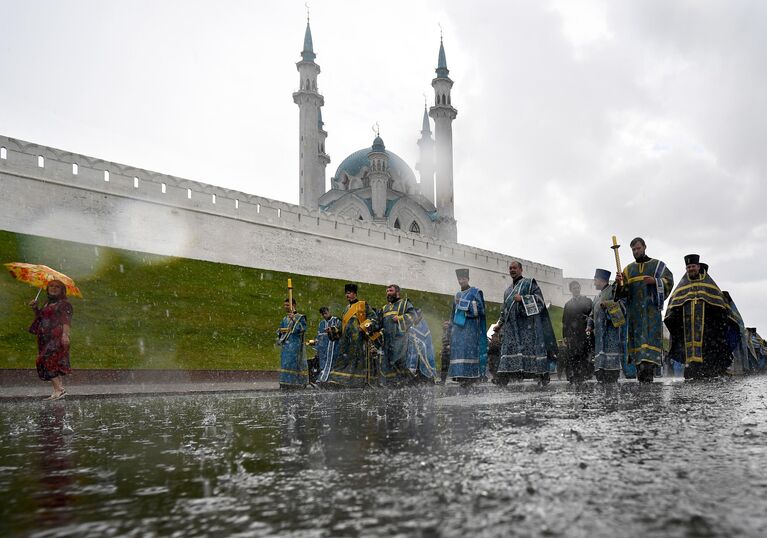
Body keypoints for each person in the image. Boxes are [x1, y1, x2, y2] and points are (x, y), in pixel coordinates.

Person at [665, 255, 738, 379]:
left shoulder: (709, 284)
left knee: (708, 350)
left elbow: (719, 305)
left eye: (693, 266)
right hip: (687, 328)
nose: (691, 269)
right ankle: (692, 370)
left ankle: (708, 371)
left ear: (698, 266)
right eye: (688, 267)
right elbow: (674, 305)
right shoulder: (682, 286)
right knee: (689, 353)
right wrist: (673, 318)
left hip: (707, 329)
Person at [615, 237, 673, 383]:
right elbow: (622, 294)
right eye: (633, 249)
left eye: (638, 248)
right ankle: (643, 381)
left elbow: (669, 280)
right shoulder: (628, 269)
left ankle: (648, 380)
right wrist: (619, 283)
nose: (636, 251)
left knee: (648, 355)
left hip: (650, 315)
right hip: (635, 317)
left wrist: (656, 281)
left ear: (645, 247)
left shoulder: (657, 266)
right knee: (639, 357)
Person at [496, 261, 558, 386]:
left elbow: (540, 301)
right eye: (510, 268)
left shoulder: (529, 283)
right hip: (511, 328)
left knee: (530, 352)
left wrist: (523, 299)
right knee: (508, 350)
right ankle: (503, 377)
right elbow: (505, 310)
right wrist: (500, 323)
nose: (512, 270)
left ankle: (542, 375)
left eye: (514, 268)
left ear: (521, 269)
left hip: (527, 327)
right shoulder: (507, 291)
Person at [326, 283, 379, 388]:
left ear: (355, 293)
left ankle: (356, 382)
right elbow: (342, 326)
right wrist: (332, 330)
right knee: (343, 361)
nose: (347, 295)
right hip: (346, 342)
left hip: (359, 341)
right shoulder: (346, 309)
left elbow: (374, 318)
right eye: (346, 293)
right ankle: (339, 381)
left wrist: (363, 326)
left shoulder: (363, 305)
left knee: (357, 363)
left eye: (349, 293)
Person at [29, 280, 73, 400]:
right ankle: (58, 390)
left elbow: (66, 321)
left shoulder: (64, 304)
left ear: (62, 290)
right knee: (52, 361)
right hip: (45, 337)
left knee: (45, 360)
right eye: (51, 286)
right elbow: (42, 318)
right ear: (47, 289)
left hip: (57, 336)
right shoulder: (47, 303)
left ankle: (59, 389)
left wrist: (65, 335)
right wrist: (35, 308)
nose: (53, 288)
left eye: (57, 287)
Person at [447, 269, 487, 385]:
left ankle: (472, 377)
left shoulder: (475, 292)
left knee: (469, 351)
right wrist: (450, 329)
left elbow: (480, 310)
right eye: (459, 279)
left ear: (468, 279)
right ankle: (461, 376)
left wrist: (464, 304)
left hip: (471, 328)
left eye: (463, 278)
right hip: (458, 330)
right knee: (459, 352)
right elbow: (453, 313)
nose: (461, 280)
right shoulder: (457, 295)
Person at [587, 269, 625, 383]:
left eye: (595, 280)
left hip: (610, 334)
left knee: (611, 371)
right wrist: (589, 325)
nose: (594, 282)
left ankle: (612, 377)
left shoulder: (613, 291)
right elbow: (592, 313)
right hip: (599, 335)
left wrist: (607, 305)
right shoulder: (597, 297)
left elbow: (622, 306)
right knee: (601, 369)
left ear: (601, 280)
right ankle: (601, 375)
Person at [380, 284, 417, 385]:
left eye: (391, 291)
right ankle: (392, 382)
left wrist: (400, 318)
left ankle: (408, 381)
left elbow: (413, 315)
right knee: (388, 361)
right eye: (387, 291)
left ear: (397, 293)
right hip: (387, 340)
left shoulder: (405, 304)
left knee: (399, 360)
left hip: (400, 338)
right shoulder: (385, 308)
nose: (388, 293)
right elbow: (380, 323)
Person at [562, 281, 593, 383]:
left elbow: (592, 316)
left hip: (584, 333)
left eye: (578, 287)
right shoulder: (568, 305)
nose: (576, 289)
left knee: (585, 354)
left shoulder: (587, 301)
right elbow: (565, 322)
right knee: (573, 356)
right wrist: (565, 336)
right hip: (573, 334)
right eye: (574, 288)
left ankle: (584, 375)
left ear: (580, 288)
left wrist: (589, 325)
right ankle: (575, 375)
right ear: (570, 290)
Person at [277, 298, 308, 389]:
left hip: (295, 344)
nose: (285, 307)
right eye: (285, 305)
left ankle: (295, 382)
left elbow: (302, 329)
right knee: (285, 363)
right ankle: (285, 382)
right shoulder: (284, 318)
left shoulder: (300, 317)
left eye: (287, 305)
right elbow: (280, 330)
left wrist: (294, 319)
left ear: (293, 305)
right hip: (286, 344)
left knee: (293, 363)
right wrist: (280, 332)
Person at [406, 308, 438, 382]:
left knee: (425, 377)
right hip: (412, 355)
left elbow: (427, 343)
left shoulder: (424, 326)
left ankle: (427, 378)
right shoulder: (409, 326)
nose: (416, 318)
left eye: (418, 316)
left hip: (423, 356)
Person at [315, 306, 341, 383]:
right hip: (324, 348)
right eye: (323, 314)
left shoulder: (336, 320)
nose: (324, 316)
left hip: (334, 346)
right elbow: (319, 336)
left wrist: (332, 330)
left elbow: (340, 330)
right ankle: (323, 379)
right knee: (323, 363)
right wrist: (316, 343)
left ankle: (332, 379)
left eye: (326, 313)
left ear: (329, 312)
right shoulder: (321, 323)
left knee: (333, 363)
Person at [438, 320, 451, 384]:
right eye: (444, 324)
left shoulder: (451, 333)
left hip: (449, 351)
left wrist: (450, 346)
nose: (445, 325)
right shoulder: (444, 333)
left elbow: (454, 341)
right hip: (444, 351)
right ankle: (442, 380)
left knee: (449, 366)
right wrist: (441, 350)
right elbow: (443, 343)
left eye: (447, 324)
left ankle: (457, 378)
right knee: (443, 366)